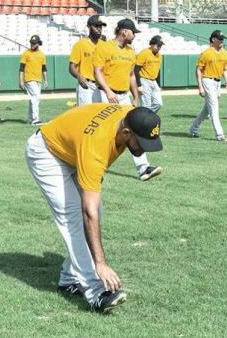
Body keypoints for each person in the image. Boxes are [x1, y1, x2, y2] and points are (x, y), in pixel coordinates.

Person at [25, 104, 163, 313]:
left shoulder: (128, 114)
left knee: (96, 212)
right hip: (47, 153)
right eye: (141, 142)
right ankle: (96, 291)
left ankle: (68, 279)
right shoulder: (97, 147)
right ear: (126, 132)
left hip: (72, 150)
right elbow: (87, 212)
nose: (144, 148)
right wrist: (101, 263)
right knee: (73, 218)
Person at [93, 18, 162, 182]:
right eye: (133, 32)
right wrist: (108, 91)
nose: (134, 36)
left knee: (133, 129)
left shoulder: (131, 51)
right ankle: (96, 165)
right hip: (104, 94)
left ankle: (143, 168)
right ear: (124, 31)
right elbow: (97, 72)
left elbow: (131, 75)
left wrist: (136, 96)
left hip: (123, 95)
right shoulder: (104, 47)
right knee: (103, 132)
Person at [189, 30, 227, 141]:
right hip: (207, 80)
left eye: (223, 39)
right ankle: (220, 134)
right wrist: (200, 86)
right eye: (220, 38)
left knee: (207, 109)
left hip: (218, 82)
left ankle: (193, 128)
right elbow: (198, 70)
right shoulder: (206, 53)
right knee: (214, 107)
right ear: (213, 39)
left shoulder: (225, 53)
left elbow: (225, 69)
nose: (222, 40)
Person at [69, 15, 106, 105]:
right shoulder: (80, 44)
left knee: (99, 114)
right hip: (86, 84)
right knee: (85, 114)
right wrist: (78, 76)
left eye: (100, 27)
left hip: (101, 84)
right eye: (96, 26)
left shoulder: (105, 45)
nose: (99, 29)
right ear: (89, 27)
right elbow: (72, 67)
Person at [20, 35, 48, 125]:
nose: (32, 44)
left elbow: (44, 68)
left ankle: (30, 119)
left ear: (38, 43)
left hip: (38, 80)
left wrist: (46, 80)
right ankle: (35, 119)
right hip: (29, 79)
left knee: (33, 99)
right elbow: (21, 68)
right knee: (36, 98)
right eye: (31, 43)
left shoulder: (42, 55)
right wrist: (20, 81)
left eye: (34, 43)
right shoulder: (26, 53)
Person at [135, 35, 163, 113]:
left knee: (158, 103)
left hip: (153, 81)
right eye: (158, 45)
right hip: (144, 80)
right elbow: (136, 69)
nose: (159, 47)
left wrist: (158, 84)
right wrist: (139, 85)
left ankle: (146, 116)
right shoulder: (144, 53)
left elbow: (158, 71)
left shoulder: (159, 55)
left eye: (160, 46)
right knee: (146, 105)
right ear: (152, 44)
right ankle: (145, 120)